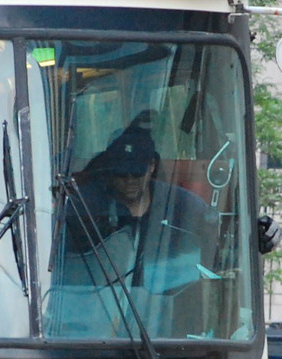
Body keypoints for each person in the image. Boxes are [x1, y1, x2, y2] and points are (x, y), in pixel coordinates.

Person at [63, 119, 210, 293]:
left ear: (151, 167)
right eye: (122, 173)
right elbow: (70, 273)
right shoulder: (83, 208)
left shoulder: (184, 208)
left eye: (137, 172)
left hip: (163, 309)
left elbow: (203, 270)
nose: (130, 180)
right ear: (110, 170)